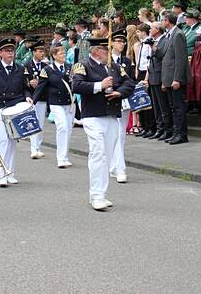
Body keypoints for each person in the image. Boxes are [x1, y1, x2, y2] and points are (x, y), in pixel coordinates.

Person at [72, 37, 135, 211]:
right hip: (93, 115)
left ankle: (102, 193)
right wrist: (100, 85)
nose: (108, 53)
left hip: (112, 115)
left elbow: (129, 83)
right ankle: (96, 195)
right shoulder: (83, 65)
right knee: (98, 154)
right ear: (96, 51)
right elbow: (76, 85)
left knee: (106, 155)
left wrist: (118, 92)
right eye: (105, 49)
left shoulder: (113, 67)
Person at [0, 38, 32, 187]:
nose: (11, 53)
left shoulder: (21, 69)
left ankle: (10, 172)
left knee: (11, 142)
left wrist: (28, 97)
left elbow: (25, 88)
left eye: (12, 51)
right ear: (1, 53)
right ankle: (2, 173)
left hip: (15, 108)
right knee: (3, 141)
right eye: (7, 51)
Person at [33, 45, 74, 168]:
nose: (63, 55)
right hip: (56, 102)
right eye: (61, 53)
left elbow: (74, 84)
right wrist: (32, 101)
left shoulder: (69, 67)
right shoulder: (47, 70)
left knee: (69, 130)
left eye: (64, 52)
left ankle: (65, 156)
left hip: (69, 102)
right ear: (54, 55)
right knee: (62, 127)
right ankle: (60, 158)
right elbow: (40, 87)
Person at [109, 29, 135, 183]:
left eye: (123, 41)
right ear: (112, 43)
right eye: (118, 41)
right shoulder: (107, 61)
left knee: (121, 135)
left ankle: (116, 166)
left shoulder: (126, 61)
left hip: (124, 100)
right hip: (111, 100)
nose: (122, 44)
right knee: (115, 134)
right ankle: (119, 168)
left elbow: (130, 80)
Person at [161, 12, 190, 145]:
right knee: (173, 107)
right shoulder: (169, 34)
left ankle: (181, 134)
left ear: (168, 21)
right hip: (169, 78)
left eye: (163, 20)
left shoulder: (178, 34)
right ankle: (176, 132)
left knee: (178, 107)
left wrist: (177, 78)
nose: (162, 22)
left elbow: (180, 58)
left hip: (175, 78)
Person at [148, 22, 172, 140]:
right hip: (153, 76)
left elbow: (161, 57)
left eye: (151, 28)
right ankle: (159, 128)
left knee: (163, 106)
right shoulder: (154, 41)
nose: (150, 30)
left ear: (157, 29)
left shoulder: (164, 41)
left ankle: (167, 129)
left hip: (160, 76)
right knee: (156, 106)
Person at [25, 40, 48, 159]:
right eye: (39, 51)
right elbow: (23, 82)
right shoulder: (27, 65)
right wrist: (29, 83)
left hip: (42, 98)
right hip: (32, 98)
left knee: (41, 125)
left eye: (43, 51)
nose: (42, 53)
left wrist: (40, 83)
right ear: (34, 52)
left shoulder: (46, 66)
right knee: (33, 123)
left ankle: (38, 147)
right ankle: (33, 149)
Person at [134, 23, 155, 138]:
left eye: (138, 31)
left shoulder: (148, 44)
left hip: (146, 73)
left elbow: (149, 62)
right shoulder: (141, 44)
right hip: (140, 72)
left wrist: (146, 77)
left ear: (143, 32)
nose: (137, 34)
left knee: (147, 101)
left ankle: (150, 127)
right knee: (140, 100)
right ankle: (143, 126)